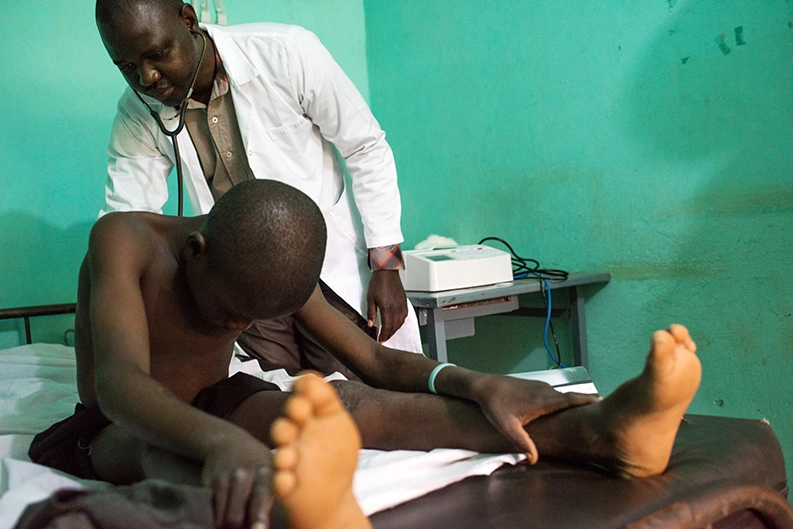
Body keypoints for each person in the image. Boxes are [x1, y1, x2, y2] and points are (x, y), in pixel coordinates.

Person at [29, 180, 701, 528]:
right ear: (198, 251)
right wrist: (223, 444)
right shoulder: (126, 241)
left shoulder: (266, 259)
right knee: (164, 453)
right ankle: (290, 515)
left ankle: (601, 431)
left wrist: (473, 380)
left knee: (347, 404)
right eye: (232, 312)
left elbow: (373, 362)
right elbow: (118, 383)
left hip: (213, 402)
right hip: (114, 426)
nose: (236, 324)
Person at [94, 0, 422, 379]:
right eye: (128, 67)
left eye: (157, 53)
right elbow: (126, 219)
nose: (147, 78)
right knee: (274, 398)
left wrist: (387, 265)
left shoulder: (285, 53)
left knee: (357, 388)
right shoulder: (138, 113)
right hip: (242, 287)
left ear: (188, 20)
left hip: (327, 271)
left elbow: (365, 146)